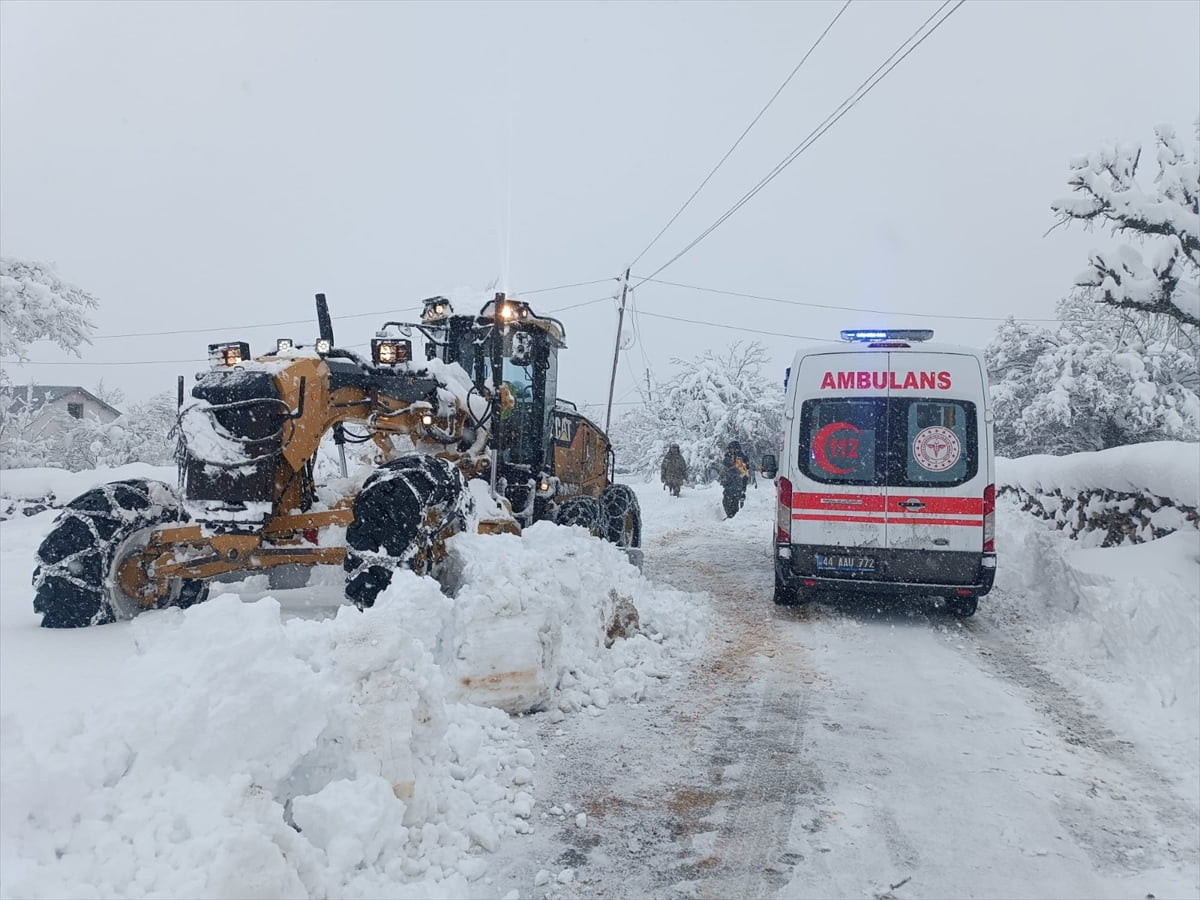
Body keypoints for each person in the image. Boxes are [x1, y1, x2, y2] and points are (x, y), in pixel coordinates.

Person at [719, 440, 751, 518]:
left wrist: (743, 486)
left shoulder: (741, 458)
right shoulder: (727, 457)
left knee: (735, 502)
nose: (730, 450)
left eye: (732, 448)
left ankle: (733, 517)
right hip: (728, 484)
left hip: (738, 484)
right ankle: (730, 515)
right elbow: (724, 469)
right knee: (726, 501)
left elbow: (744, 472)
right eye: (729, 448)